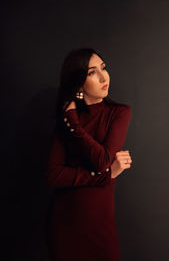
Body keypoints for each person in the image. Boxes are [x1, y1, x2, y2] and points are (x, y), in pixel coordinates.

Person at [44, 48, 132, 261]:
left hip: (99, 224)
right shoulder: (69, 119)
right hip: (65, 223)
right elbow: (53, 175)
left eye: (103, 68)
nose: (103, 77)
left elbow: (102, 161)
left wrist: (74, 126)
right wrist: (105, 175)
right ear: (78, 83)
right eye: (92, 72)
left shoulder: (118, 113)